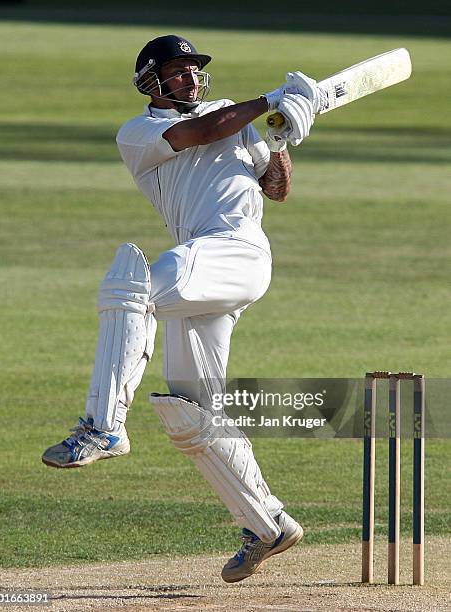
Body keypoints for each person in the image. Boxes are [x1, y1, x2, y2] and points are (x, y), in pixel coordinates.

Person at [42, 34, 320, 583]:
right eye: (177, 71)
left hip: (237, 251)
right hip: (203, 259)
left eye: (194, 69)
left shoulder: (234, 118)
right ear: (151, 81)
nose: (190, 78)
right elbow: (199, 132)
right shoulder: (139, 133)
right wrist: (269, 100)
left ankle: (102, 427)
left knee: (134, 287)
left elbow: (276, 189)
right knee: (192, 412)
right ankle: (267, 523)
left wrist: (283, 139)